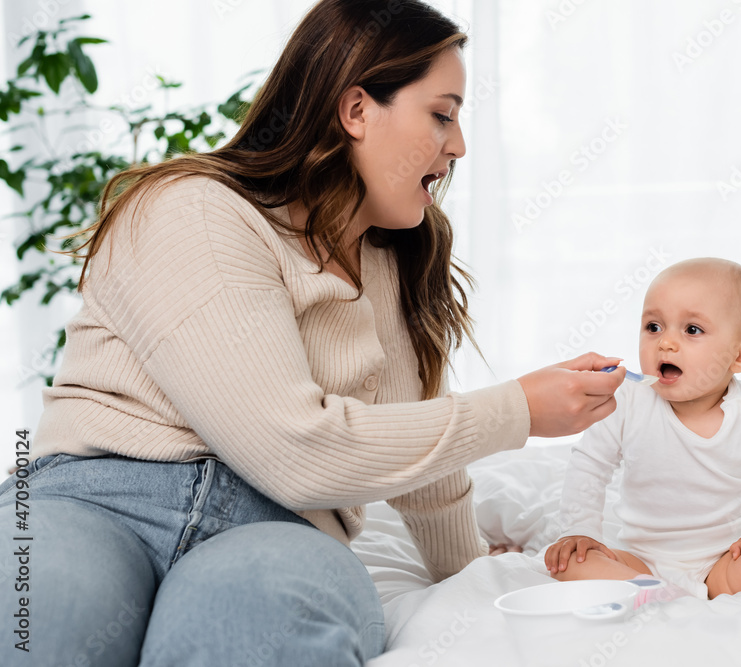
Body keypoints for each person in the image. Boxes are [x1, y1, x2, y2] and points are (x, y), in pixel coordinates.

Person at [0, 2, 627, 665]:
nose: (459, 145)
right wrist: (520, 409)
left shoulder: (394, 263)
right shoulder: (194, 211)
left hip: (278, 534)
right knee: (45, 620)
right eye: (442, 113)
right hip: (98, 503)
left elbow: (420, 460)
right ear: (356, 110)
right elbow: (293, 451)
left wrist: (468, 567)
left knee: (252, 624)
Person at [544, 258, 741, 602]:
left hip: (726, 561)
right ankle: (649, 592)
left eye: (692, 330)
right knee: (568, 563)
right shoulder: (626, 401)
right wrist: (579, 531)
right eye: (653, 327)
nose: (665, 343)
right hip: (642, 561)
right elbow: (590, 465)